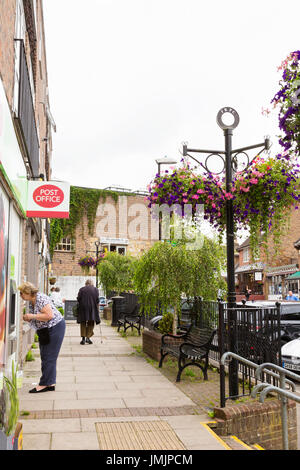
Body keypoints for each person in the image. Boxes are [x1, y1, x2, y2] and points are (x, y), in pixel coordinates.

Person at [18, 281, 66, 393]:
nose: (20, 295)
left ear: (28, 292)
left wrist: (32, 316)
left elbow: (49, 315)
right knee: (46, 356)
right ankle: (50, 383)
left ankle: (44, 384)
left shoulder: (40, 298)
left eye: (21, 293)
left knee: (49, 356)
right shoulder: (32, 300)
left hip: (55, 327)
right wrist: (31, 318)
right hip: (45, 329)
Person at [77, 279, 100, 345]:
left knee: (83, 322)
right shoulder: (95, 289)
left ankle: (83, 339)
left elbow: (78, 298)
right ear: (92, 283)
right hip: (92, 307)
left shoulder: (82, 289)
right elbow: (97, 300)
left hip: (83, 307)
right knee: (91, 322)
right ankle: (88, 337)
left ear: (86, 283)